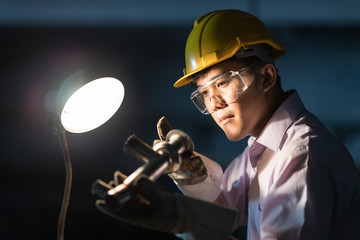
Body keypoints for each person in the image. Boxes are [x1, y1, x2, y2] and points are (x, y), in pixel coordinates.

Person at [93, 9, 360, 240]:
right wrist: (194, 179)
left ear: (266, 77)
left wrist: (181, 220)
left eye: (221, 83)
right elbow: (224, 214)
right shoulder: (262, 148)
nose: (214, 104)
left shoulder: (300, 157)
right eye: (204, 93)